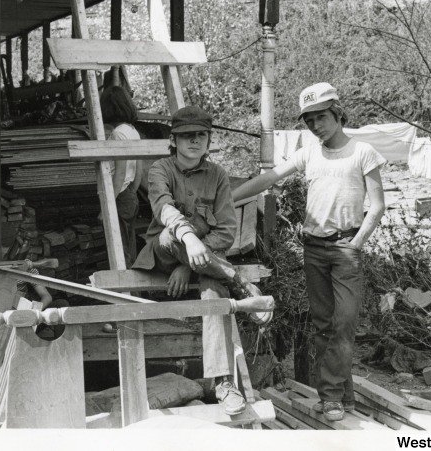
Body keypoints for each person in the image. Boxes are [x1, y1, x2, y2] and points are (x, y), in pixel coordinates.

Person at [232, 82, 386, 422]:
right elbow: (268, 178)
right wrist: (229, 199)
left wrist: (356, 242)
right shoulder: (309, 152)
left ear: (337, 113)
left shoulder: (363, 152)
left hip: (346, 247)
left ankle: (329, 396)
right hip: (314, 249)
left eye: (320, 117)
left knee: (344, 323)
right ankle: (342, 398)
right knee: (322, 325)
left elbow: (377, 206)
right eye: (309, 121)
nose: (315, 126)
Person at [132, 105, 272, 415]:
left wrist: (190, 262)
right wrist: (188, 238)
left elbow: (226, 232)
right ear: (174, 140)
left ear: (208, 139)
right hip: (165, 251)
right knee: (172, 237)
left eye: (200, 136)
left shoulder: (218, 175)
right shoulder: (160, 170)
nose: (194, 142)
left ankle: (222, 383)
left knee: (212, 290)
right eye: (186, 137)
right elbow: (163, 209)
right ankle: (240, 283)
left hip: (203, 258)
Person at [99, 85, 144, 266]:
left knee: (121, 251)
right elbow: (138, 169)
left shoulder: (118, 134)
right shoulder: (133, 131)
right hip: (129, 195)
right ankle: (134, 292)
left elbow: (119, 174)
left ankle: (126, 291)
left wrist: (108, 205)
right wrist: (132, 191)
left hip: (119, 196)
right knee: (129, 247)